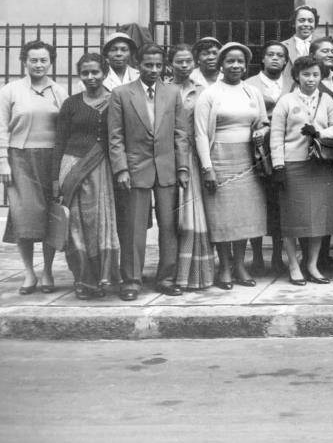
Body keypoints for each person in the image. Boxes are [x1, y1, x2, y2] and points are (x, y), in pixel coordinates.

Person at [108, 43, 189, 299]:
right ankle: (131, 280)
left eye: (158, 65)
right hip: (134, 169)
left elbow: (180, 133)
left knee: (168, 226)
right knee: (133, 228)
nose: (153, 70)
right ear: (138, 64)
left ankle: (166, 278)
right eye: (147, 65)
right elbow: (115, 137)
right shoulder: (121, 94)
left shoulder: (173, 92)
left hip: (166, 169)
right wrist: (121, 169)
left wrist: (183, 167)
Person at [0, 40, 68, 295]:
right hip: (20, 159)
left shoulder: (59, 91)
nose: (38, 65)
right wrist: (3, 160)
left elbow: (66, 128)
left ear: (51, 62)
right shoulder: (10, 91)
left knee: (50, 216)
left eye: (43, 60)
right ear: (24, 61)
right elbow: (0, 127)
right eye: (33, 60)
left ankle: (47, 270)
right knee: (23, 217)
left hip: (52, 160)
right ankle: (28, 272)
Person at [194, 42, 269, 290]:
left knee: (244, 216)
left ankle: (240, 265)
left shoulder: (252, 92)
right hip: (219, 158)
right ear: (222, 65)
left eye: (240, 61)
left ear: (246, 65)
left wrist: (261, 130)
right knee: (222, 217)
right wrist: (208, 168)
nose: (235, 65)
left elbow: (262, 121)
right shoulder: (210, 94)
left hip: (248, 161)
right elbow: (201, 134)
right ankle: (224, 267)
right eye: (230, 61)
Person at [270, 54, 333, 286]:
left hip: (320, 166)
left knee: (318, 218)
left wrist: (319, 133)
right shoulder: (286, 101)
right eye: (306, 74)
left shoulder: (327, 100)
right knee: (293, 219)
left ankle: (312, 264)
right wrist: (279, 165)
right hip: (293, 165)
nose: (311, 79)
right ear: (296, 75)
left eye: (315, 74)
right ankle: (294, 265)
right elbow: (276, 136)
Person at [52, 53, 120, 299]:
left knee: (100, 224)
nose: (90, 77)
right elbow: (59, 142)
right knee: (77, 225)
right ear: (79, 75)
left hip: (103, 170)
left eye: (95, 72)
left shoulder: (116, 100)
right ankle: (82, 280)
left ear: (105, 73)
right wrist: (54, 180)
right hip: (73, 169)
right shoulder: (71, 103)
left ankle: (101, 279)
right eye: (85, 73)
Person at [168, 44, 216, 290]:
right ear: (171, 64)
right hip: (170, 157)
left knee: (194, 215)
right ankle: (171, 272)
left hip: (194, 158)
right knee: (173, 218)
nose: (184, 66)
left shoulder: (202, 90)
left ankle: (197, 274)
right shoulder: (164, 90)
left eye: (188, 61)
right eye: (179, 61)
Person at [243, 40, 290, 276]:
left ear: (285, 61)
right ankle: (258, 256)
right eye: (270, 54)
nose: (274, 58)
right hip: (257, 150)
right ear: (262, 59)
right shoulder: (249, 84)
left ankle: (278, 255)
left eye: (280, 55)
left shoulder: (292, 84)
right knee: (256, 201)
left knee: (279, 203)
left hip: (284, 149)